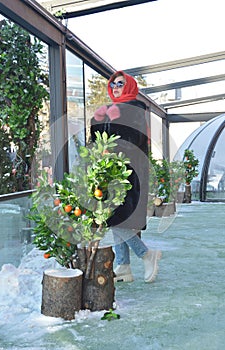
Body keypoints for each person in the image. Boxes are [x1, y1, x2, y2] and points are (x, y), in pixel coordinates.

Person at [90, 71, 161, 283]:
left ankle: (147, 254)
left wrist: (112, 147)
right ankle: (124, 266)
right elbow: (97, 142)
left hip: (130, 173)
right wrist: (98, 121)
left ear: (129, 85)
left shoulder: (135, 110)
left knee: (116, 218)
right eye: (112, 85)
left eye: (120, 83)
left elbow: (134, 140)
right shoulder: (110, 110)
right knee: (116, 217)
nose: (116, 87)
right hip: (111, 172)